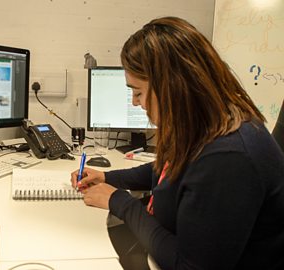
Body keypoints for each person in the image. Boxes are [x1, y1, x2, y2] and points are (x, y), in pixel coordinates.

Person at [71, 17, 284, 270]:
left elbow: (189, 266)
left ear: (173, 87)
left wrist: (119, 201)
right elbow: (170, 170)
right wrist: (108, 177)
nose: (135, 103)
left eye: (138, 92)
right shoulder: (207, 123)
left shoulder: (229, 157)